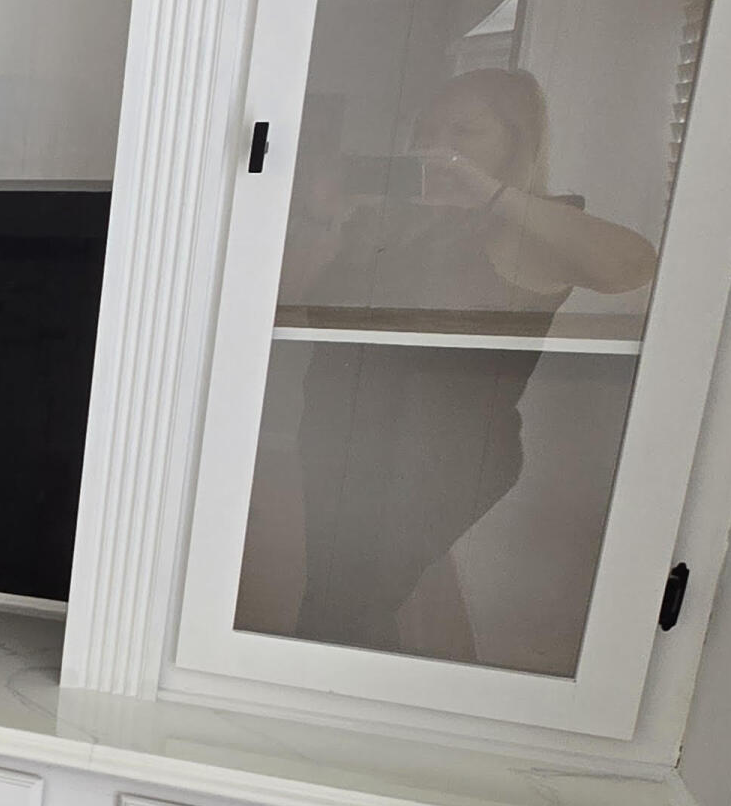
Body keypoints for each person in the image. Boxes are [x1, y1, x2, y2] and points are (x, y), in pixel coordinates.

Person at [275, 67, 658, 665]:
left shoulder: (524, 226)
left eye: (464, 131)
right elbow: (286, 299)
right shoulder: (392, 223)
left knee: (347, 604)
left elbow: (634, 266)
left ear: (517, 141)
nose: (437, 144)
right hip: (341, 433)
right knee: (335, 594)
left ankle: (314, 705)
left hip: (441, 455)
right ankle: (318, 703)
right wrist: (326, 216)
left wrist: (488, 192)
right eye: (426, 130)